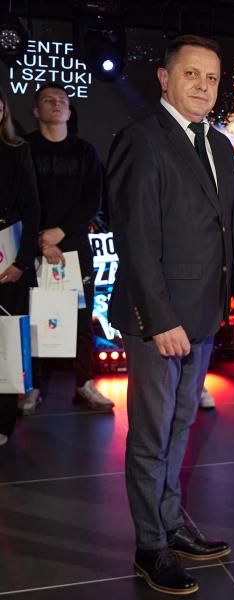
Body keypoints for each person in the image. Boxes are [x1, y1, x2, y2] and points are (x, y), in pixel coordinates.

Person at [107, 35, 234, 595]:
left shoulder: (218, 143)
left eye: (212, 78)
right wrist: (160, 319)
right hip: (159, 321)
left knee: (181, 424)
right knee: (151, 435)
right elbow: (136, 239)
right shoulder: (141, 139)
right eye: (191, 74)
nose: (203, 86)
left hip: (203, 314)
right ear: (165, 79)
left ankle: (172, 524)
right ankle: (151, 546)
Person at [21, 82, 112, 414]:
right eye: (48, 100)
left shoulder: (85, 152)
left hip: (73, 246)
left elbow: (93, 201)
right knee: (34, 317)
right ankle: (32, 386)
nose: (56, 104)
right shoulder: (24, 149)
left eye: (62, 100)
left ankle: (84, 383)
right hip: (31, 246)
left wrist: (59, 233)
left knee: (80, 318)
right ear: (36, 111)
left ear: (70, 111)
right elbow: (19, 198)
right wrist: (40, 240)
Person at [0, 88, 40, 447]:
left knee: (7, 343)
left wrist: (21, 263)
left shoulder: (18, 150)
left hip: (9, 262)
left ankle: (3, 421)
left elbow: (32, 210)